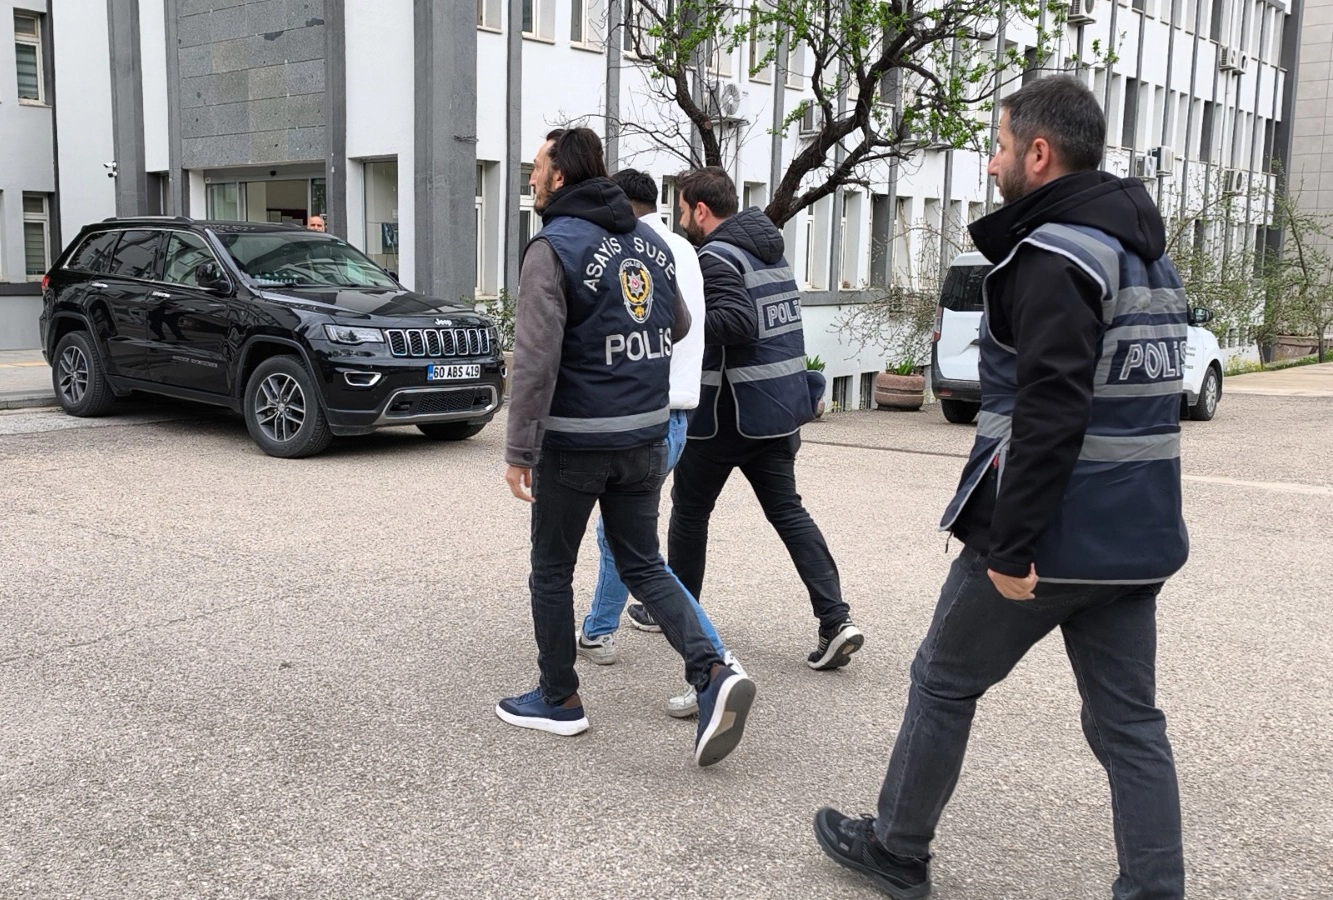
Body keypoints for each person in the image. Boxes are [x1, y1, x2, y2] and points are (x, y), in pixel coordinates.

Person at [813, 75, 1188, 900]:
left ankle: (897, 849)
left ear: (1039, 153)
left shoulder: (1056, 256)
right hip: (1137, 537)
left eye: (999, 146)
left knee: (942, 680)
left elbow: (1051, 413)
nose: (992, 164)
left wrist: (1011, 547)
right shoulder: (1148, 259)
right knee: (1129, 723)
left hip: (1048, 538)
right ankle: (1156, 888)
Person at [498, 128, 754, 768]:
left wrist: (519, 449)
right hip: (645, 435)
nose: (532, 178)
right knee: (644, 564)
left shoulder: (552, 247)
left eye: (537, 167)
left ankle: (559, 699)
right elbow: (680, 323)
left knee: (551, 568)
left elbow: (535, 358)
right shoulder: (650, 243)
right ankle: (712, 670)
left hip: (575, 442)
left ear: (560, 176)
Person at [645, 166, 863, 671]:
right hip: (777, 409)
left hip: (728, 415)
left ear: (701, 210)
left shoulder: (716, 257)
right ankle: (836, 619)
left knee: (689, 512)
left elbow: (739, 323)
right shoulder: (770, 253)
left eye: (682, 210)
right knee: (788, 512)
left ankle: (680, 618)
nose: (681, 220)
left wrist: (678, 319)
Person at [574, 167, 744, 719]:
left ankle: (716, 662)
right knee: (621, 537)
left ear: (622, 206)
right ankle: (599, 629)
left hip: (640, 413)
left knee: (639, 553)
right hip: (679, 416)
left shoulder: (632, 250)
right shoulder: (685, 250)